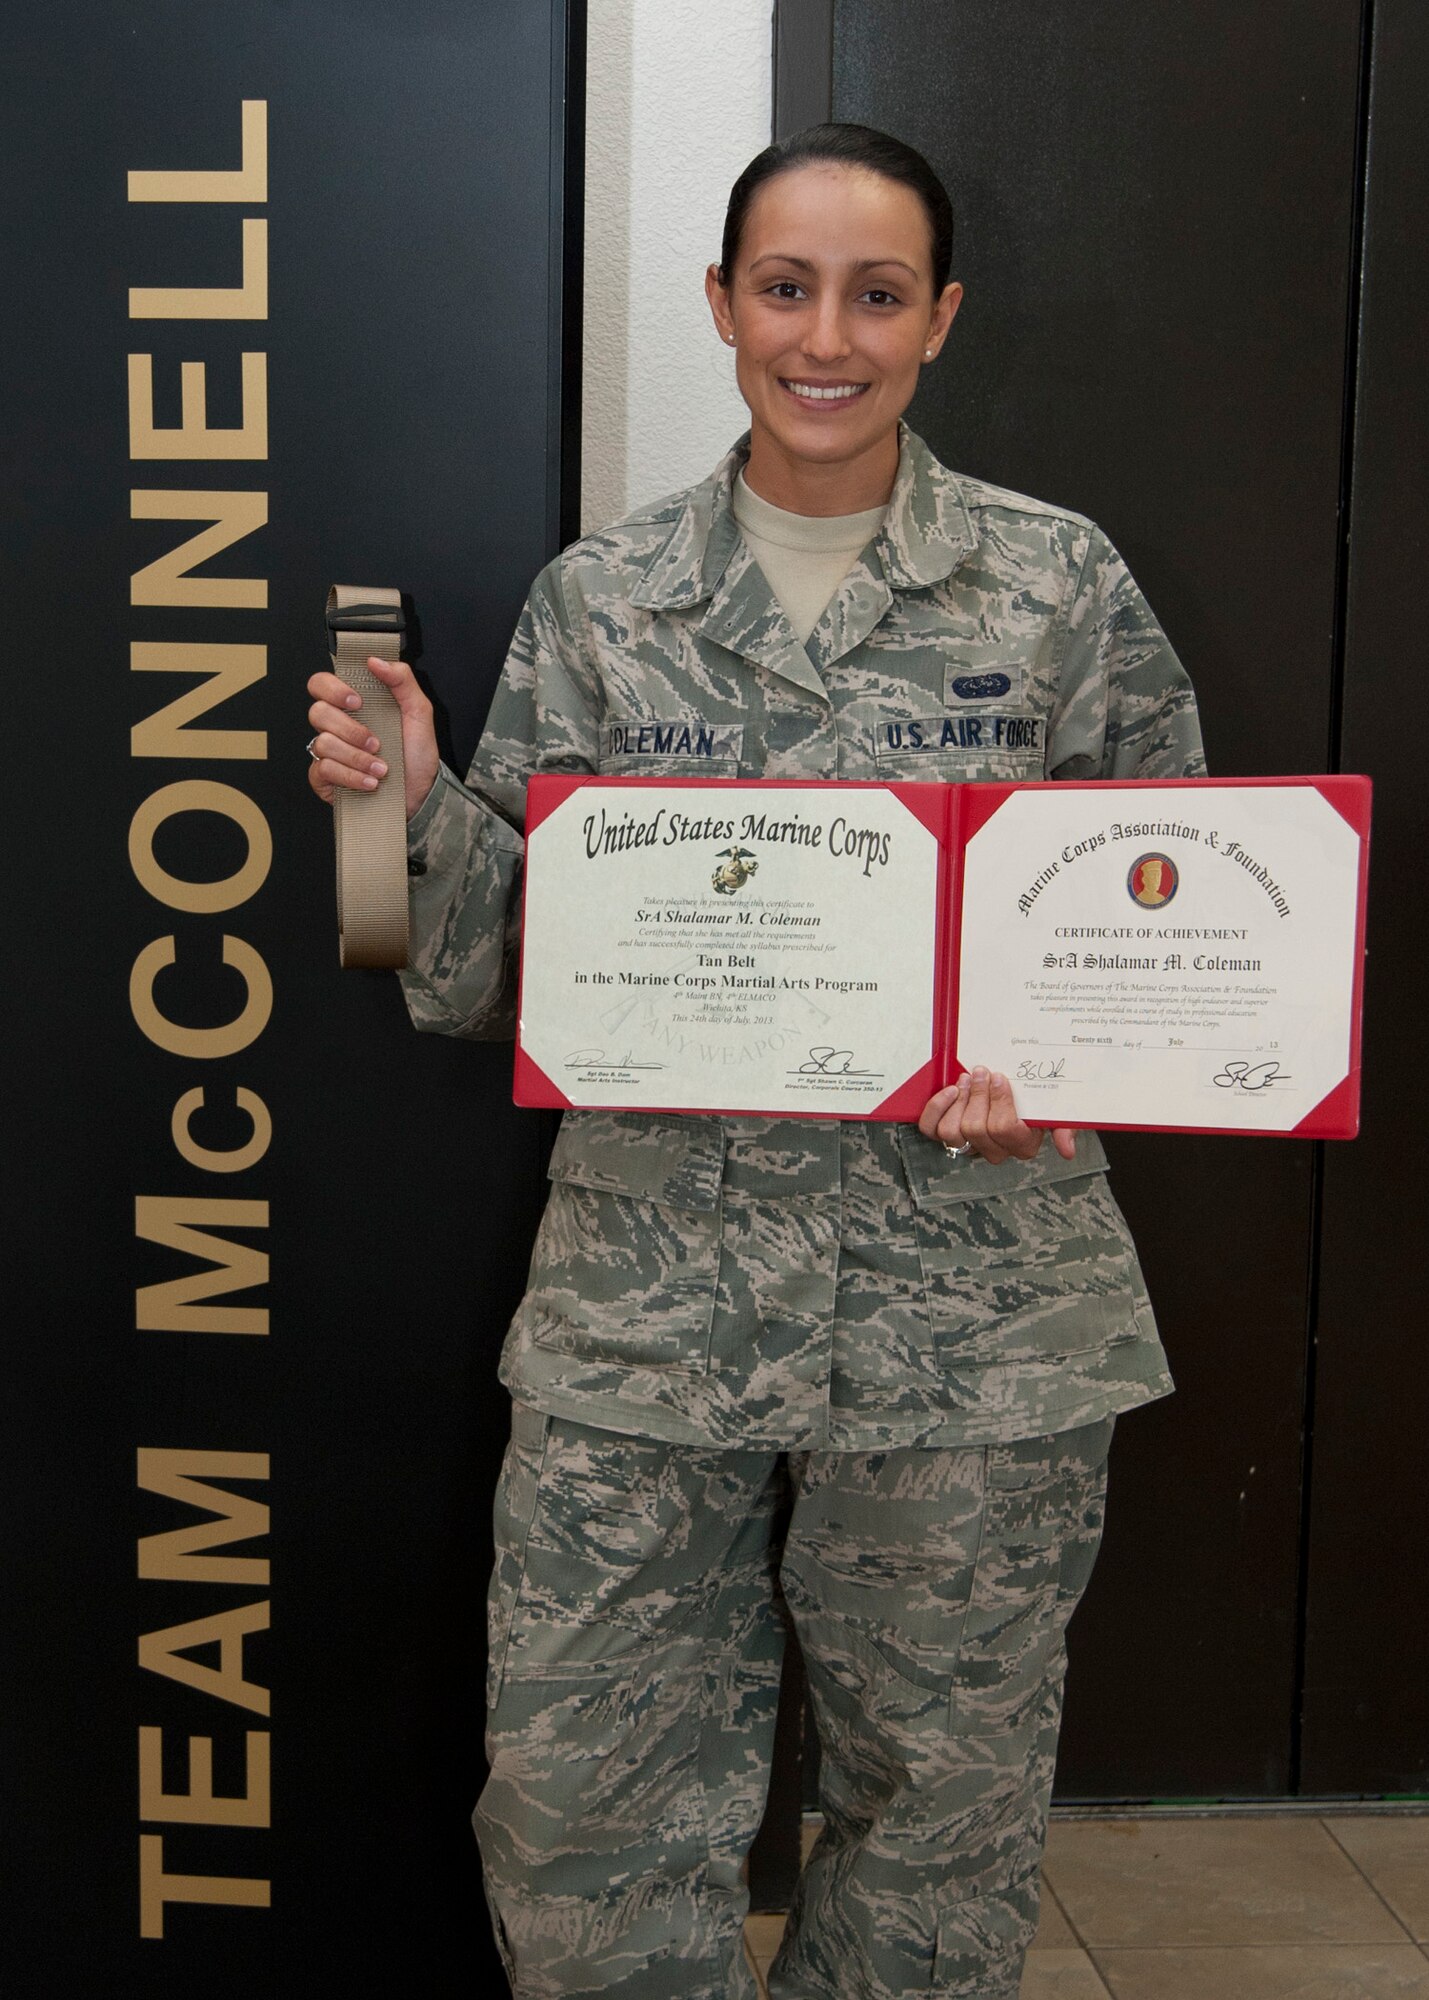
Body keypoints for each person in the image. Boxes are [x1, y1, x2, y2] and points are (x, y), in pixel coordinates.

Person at [307, 124, 1203, 2000]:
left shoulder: (1058, 589)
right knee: (580, 1806)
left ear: (937, 319)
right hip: (649, 1309)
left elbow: (1180, 918)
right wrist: (406, 814)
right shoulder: (603, 600)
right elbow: (495, 972)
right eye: (783, 287)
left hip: (977, 1302)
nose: (826, 334)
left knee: (936, 1818)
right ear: (719, 306)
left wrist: (1063, 1061)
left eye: (876, 295)